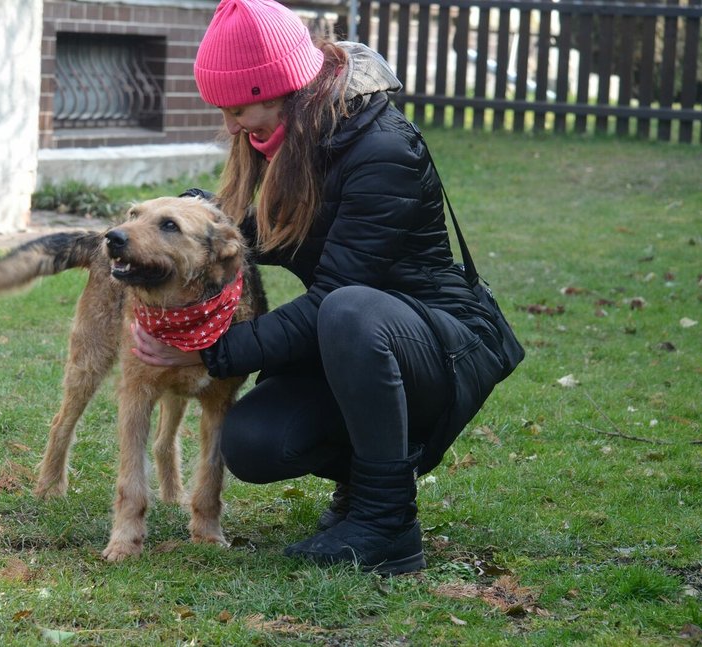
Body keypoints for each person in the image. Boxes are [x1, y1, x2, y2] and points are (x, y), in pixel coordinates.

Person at [130, 0, 509, 575]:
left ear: (283, 86)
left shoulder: (382, 150)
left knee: (348, 309)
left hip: (441, 342)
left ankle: (388, 525)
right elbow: (280, 237)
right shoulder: (292, 140)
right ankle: (360, 489)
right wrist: (207, 220)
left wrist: (211, 352)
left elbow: (339, 288)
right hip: (358, 342)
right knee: (253, 441)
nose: (231, 125)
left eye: (238, 107)